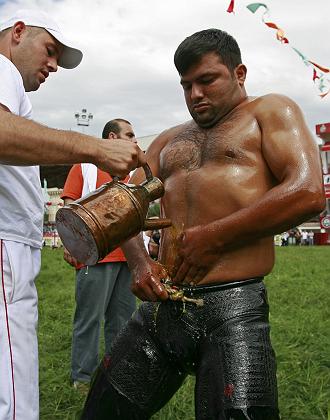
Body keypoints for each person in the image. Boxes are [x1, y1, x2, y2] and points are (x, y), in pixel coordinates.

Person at [81, 29, 325, 420]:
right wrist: (140, 263)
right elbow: (121, 205)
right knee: (102, 411)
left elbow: (308, 191)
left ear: (239, 73)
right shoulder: (168, 140)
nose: (196, 94)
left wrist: (213, 237)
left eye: (207, 80)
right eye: (187, 85)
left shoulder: (270, 111)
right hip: (164, 307)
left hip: (234, 307)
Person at [0, 9, 145, 420]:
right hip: (6, 244)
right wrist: (95, 148)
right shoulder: (1, 69)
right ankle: (84, 373)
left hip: (16, 244)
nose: (52, 66)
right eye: (50, 51)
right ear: (18, 32)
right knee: (12, 388)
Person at [61, 119, 137, 390]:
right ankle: (82, 377)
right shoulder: (84, 166)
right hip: (95, 256)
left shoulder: (134, 174)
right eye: (130, 135)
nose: (135, 140)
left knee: (124, 322)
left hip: (129, 259)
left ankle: (115, 376)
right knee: (89, 318)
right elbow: (69, 207)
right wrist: (71, 245)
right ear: (113, 137)